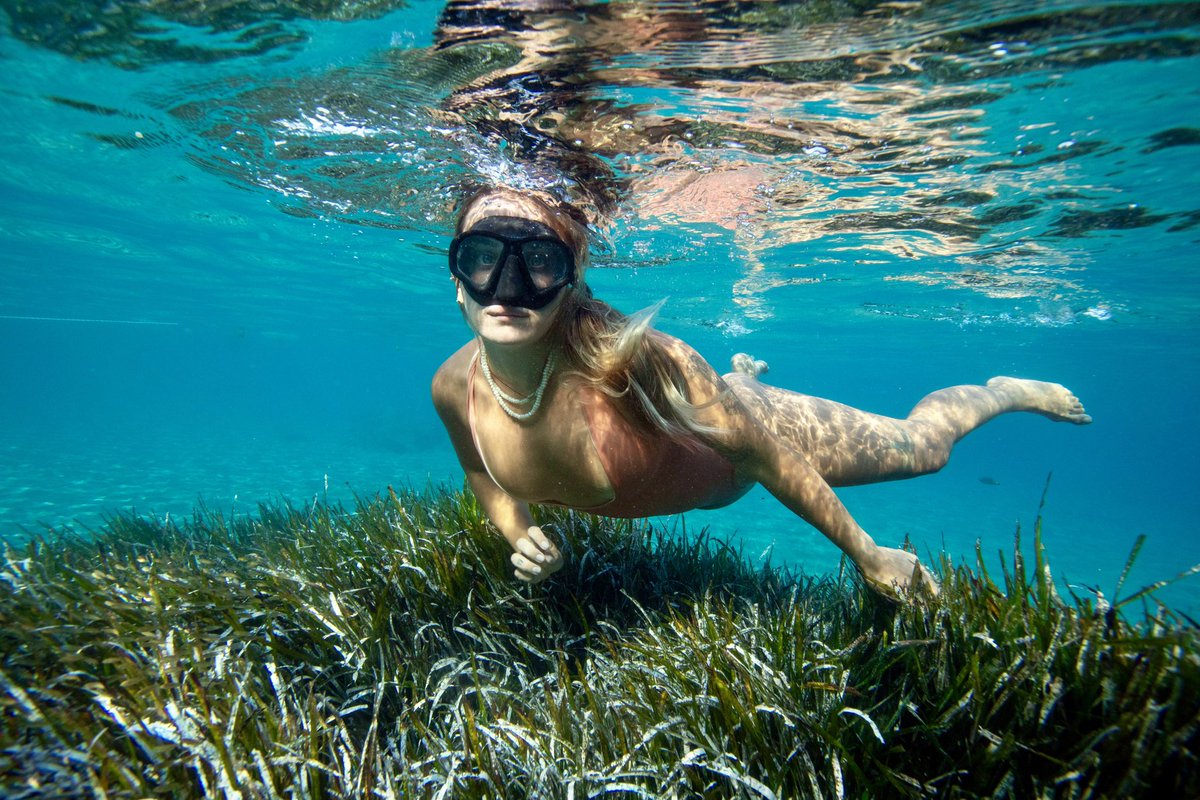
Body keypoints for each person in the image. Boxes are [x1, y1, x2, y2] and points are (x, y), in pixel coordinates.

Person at [431, 187, 1091, 598]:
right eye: (483, 257)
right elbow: (481, 475)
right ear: (457, 277)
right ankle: (744, 372)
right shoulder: (452, 388)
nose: (508, 285)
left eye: (539, 261)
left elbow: (768, 458)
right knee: (722, 394)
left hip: (758, 432)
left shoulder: (644, 361)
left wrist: (867, 553)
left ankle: (1003, 391)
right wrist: (517, 534)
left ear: (571, 281)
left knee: (924, 450)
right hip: (705, 420)